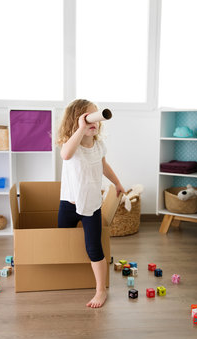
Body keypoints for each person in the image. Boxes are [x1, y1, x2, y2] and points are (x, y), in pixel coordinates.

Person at [57, 99, 125, 308]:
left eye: (96, 117)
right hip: (68, 204)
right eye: (88, 117)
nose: (93, 122)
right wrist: (80, 128)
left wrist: (117, 182)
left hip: (92, 205)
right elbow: (66, 154)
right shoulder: (72, 144)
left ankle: (100, 290)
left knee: (94, 248)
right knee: (61, 240)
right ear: (76, 121)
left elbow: (104, 166)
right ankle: (69, 274)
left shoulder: (99, 145)